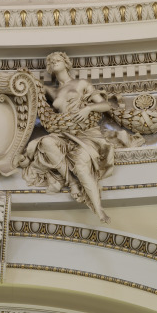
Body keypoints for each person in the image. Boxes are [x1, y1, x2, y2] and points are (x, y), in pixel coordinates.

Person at [21, 52, 114, 223]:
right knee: (47, 142)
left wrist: (88, 109)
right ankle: (71, 182)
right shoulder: (52, 91)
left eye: (58, 59)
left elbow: (106, 105)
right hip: (64, 133)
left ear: (66, 63)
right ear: (49, 67)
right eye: (51, 61)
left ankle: (99, 210)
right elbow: (34, 87)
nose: (54, 61)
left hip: (86, 134)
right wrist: (24, 76)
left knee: (81, 165)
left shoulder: (81, 83)